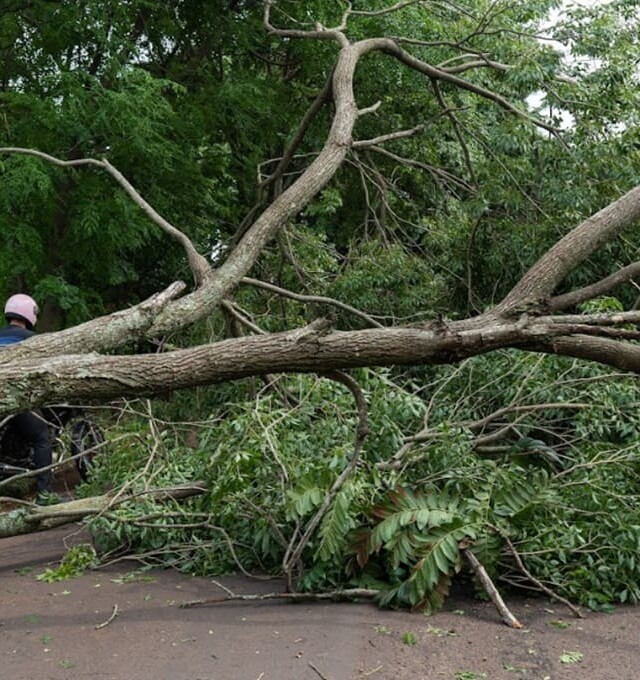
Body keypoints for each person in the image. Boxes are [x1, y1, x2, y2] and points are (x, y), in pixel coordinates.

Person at [0, 294, 53, 495]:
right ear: (30, 314)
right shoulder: (33, 340)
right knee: (42, 437)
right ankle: (45, 495)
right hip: (15, 397)